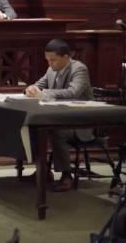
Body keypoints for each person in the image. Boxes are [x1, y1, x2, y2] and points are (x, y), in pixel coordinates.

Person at [24, 39, 93, 192]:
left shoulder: (79, 69)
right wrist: (31, 89)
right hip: (59, 118)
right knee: (33, 127)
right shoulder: (51, 70)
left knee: (58, 132)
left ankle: (66, 175)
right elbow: (38, 85)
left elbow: (73, 92)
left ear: (66, 57)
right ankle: (43, 170)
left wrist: (45, 93)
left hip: (81, 122)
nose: (50, 63)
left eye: (53, 60)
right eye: (47, 60)